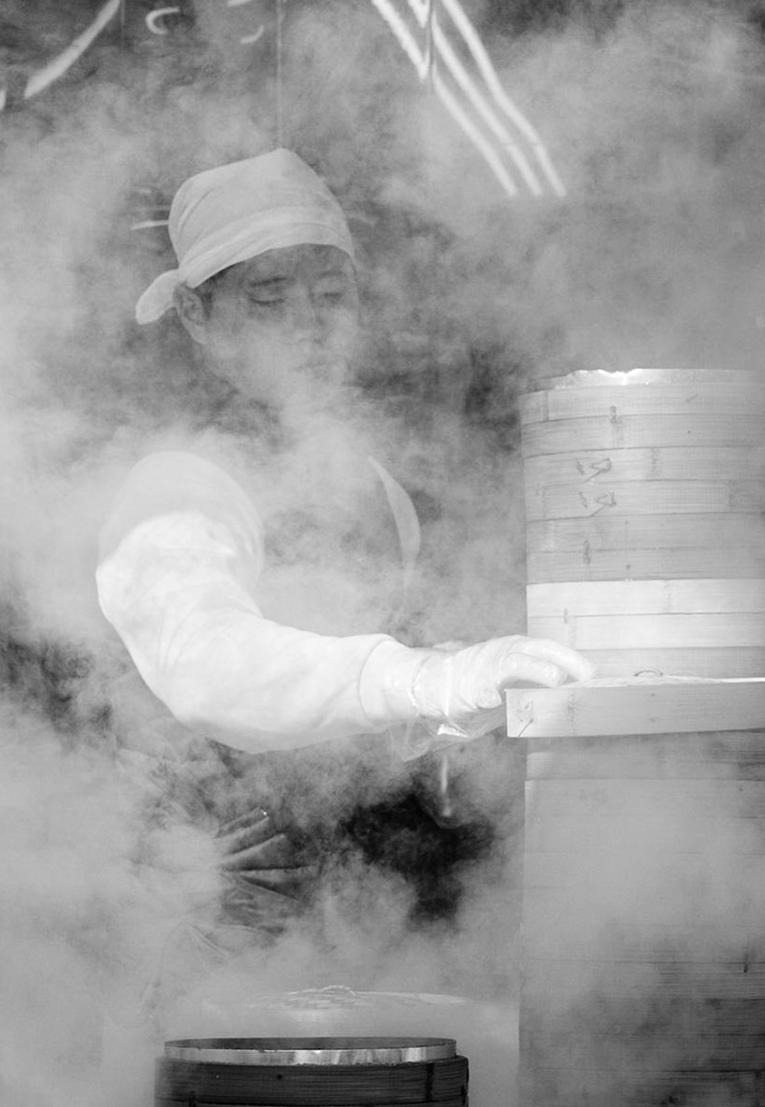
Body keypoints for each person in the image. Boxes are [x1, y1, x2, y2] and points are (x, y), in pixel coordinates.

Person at [95, 148, 591, 962]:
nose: (309, 327)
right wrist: (428, 679)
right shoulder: (176, 480)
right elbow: (205, 660)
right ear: (196, 317)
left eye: (332, 296)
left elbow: (373, 725)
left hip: (358, 918)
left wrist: (471, 725)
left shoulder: (379, 490)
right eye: (269, 299)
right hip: (202, 918)